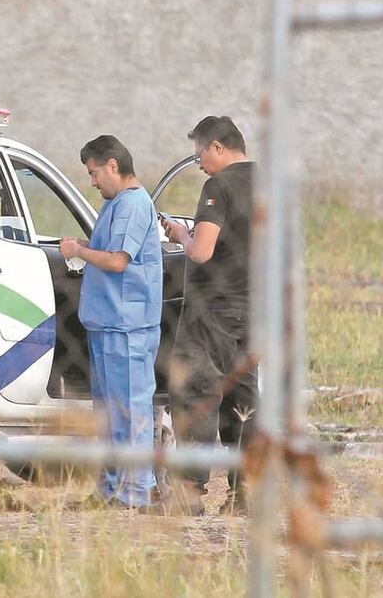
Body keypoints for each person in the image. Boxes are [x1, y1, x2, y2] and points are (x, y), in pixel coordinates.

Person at [59, 135, 163, 509]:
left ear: (113, 166)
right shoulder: (115, 205)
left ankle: (134, 492)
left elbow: (118, 261)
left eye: (94, 173)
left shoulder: (134, 204)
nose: (93, 181)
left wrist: (78, 251)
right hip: (107, 323)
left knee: (131, 409)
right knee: (108, 413)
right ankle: (110, 489)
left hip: (128, 326)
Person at [162, 115, 258, 515]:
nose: (199, 163)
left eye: (200, 153)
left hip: (213, 308)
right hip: (256, 306)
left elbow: (201, 250)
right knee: (244, 397)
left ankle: (190, 494)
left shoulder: (218, 185)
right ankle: (244, 494)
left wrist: (180, 234)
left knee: (197, 393)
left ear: (217, 147)